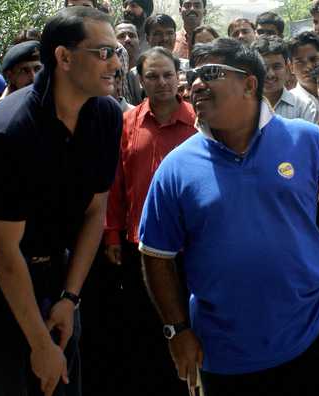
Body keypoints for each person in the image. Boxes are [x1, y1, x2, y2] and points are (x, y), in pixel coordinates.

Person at [139, 37, 319, 396]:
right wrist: (177, 330)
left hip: (311, 338)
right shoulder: (176, 167)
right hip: (223, 354)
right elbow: (156, 255)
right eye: (193, 74)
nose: (195, 83)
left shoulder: (306, 139)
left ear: (249, 84)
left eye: (210, 72)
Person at [0, 7, 122, 396]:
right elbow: (4, 249)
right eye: (104, 52)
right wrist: (40, 345)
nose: (115, 63)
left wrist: (69, 298)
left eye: (118, 52)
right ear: (63, 57)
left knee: (61, 384)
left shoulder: (106, 116)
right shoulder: (8, 132)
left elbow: (96, 211)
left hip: (58, 276)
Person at [104, 46, 196, 395]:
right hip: (140, 246)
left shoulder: (200, 123)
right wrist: (111, 234)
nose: (161, 83)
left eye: (168, 75)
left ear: (178, 77)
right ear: (139, 81)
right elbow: (115, 182)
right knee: (147, 328)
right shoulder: (127, 123)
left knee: (191, 324)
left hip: (192, 244)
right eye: (152, 76)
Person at [250, 35, 316, 121]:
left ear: (288, 67)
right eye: (264, 68)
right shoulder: (245, 106)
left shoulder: (303, 106)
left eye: (276, 67)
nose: (270, 74)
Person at [289, 31, 319, 121]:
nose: (308, 67)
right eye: (300, 62)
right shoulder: (289, 103)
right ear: (291, 67)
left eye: (313, 59)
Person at [116, 22, 142, 104]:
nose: (127, 39)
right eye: (121, 36)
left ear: (139, 41)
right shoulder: (110, 76)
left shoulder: (146, 71)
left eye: (132, 35)